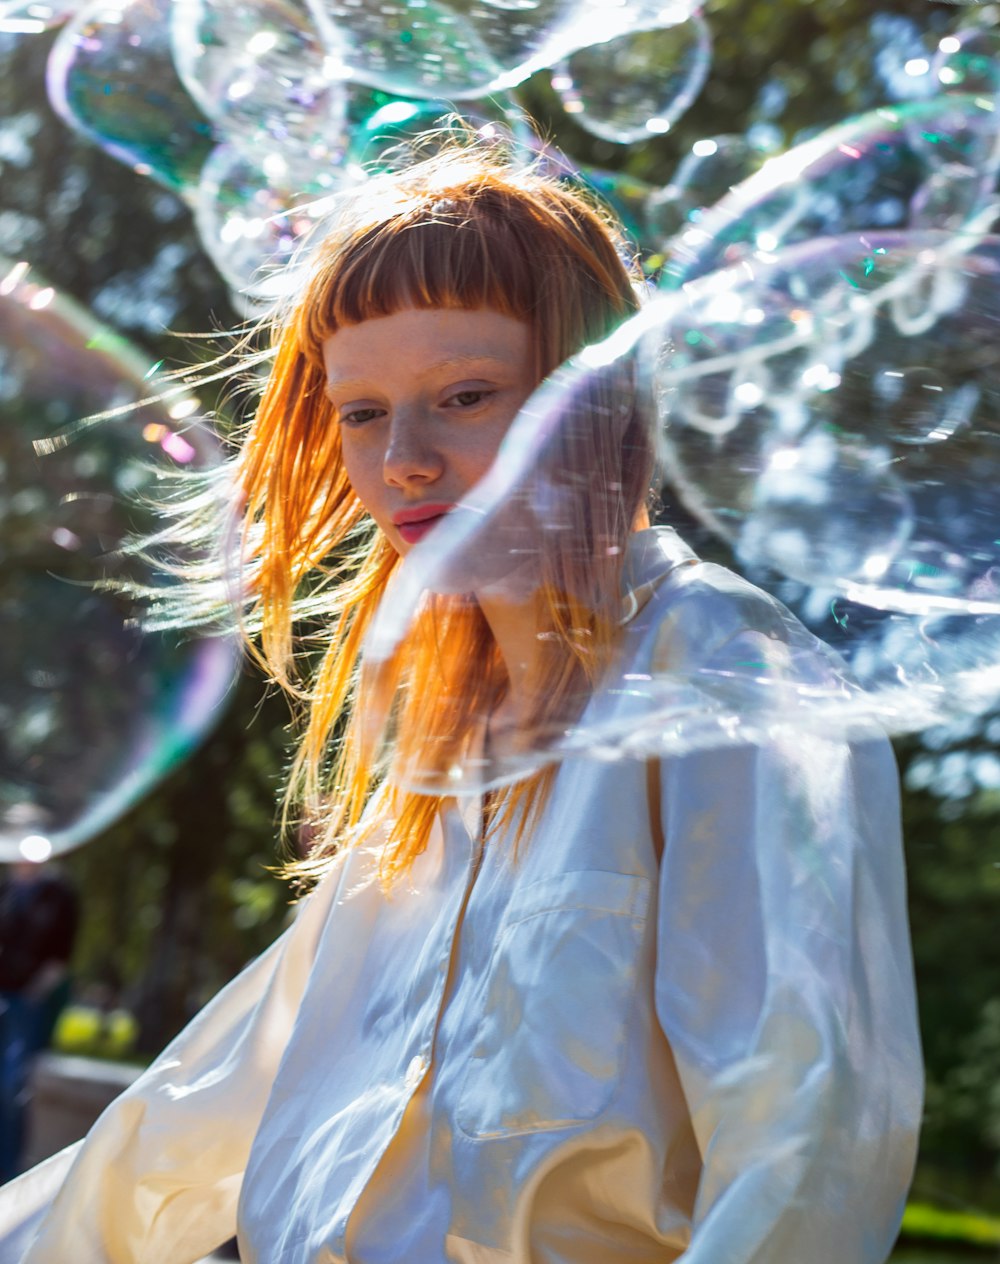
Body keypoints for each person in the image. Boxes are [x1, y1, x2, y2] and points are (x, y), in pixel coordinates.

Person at [0, 137, 922, 1263]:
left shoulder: (731, 681)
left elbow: (807, 1155)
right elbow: (202, 1112)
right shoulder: (430, 748)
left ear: (597, 399)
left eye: (466, 396)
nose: (405, 462)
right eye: (361, 412)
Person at [0, 861, 78, 1184]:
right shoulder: (6, 888)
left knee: (12, 1084)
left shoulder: (58, 893)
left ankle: (7, 1172)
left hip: (29, 1001)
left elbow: (61, 955)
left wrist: (34, 994)